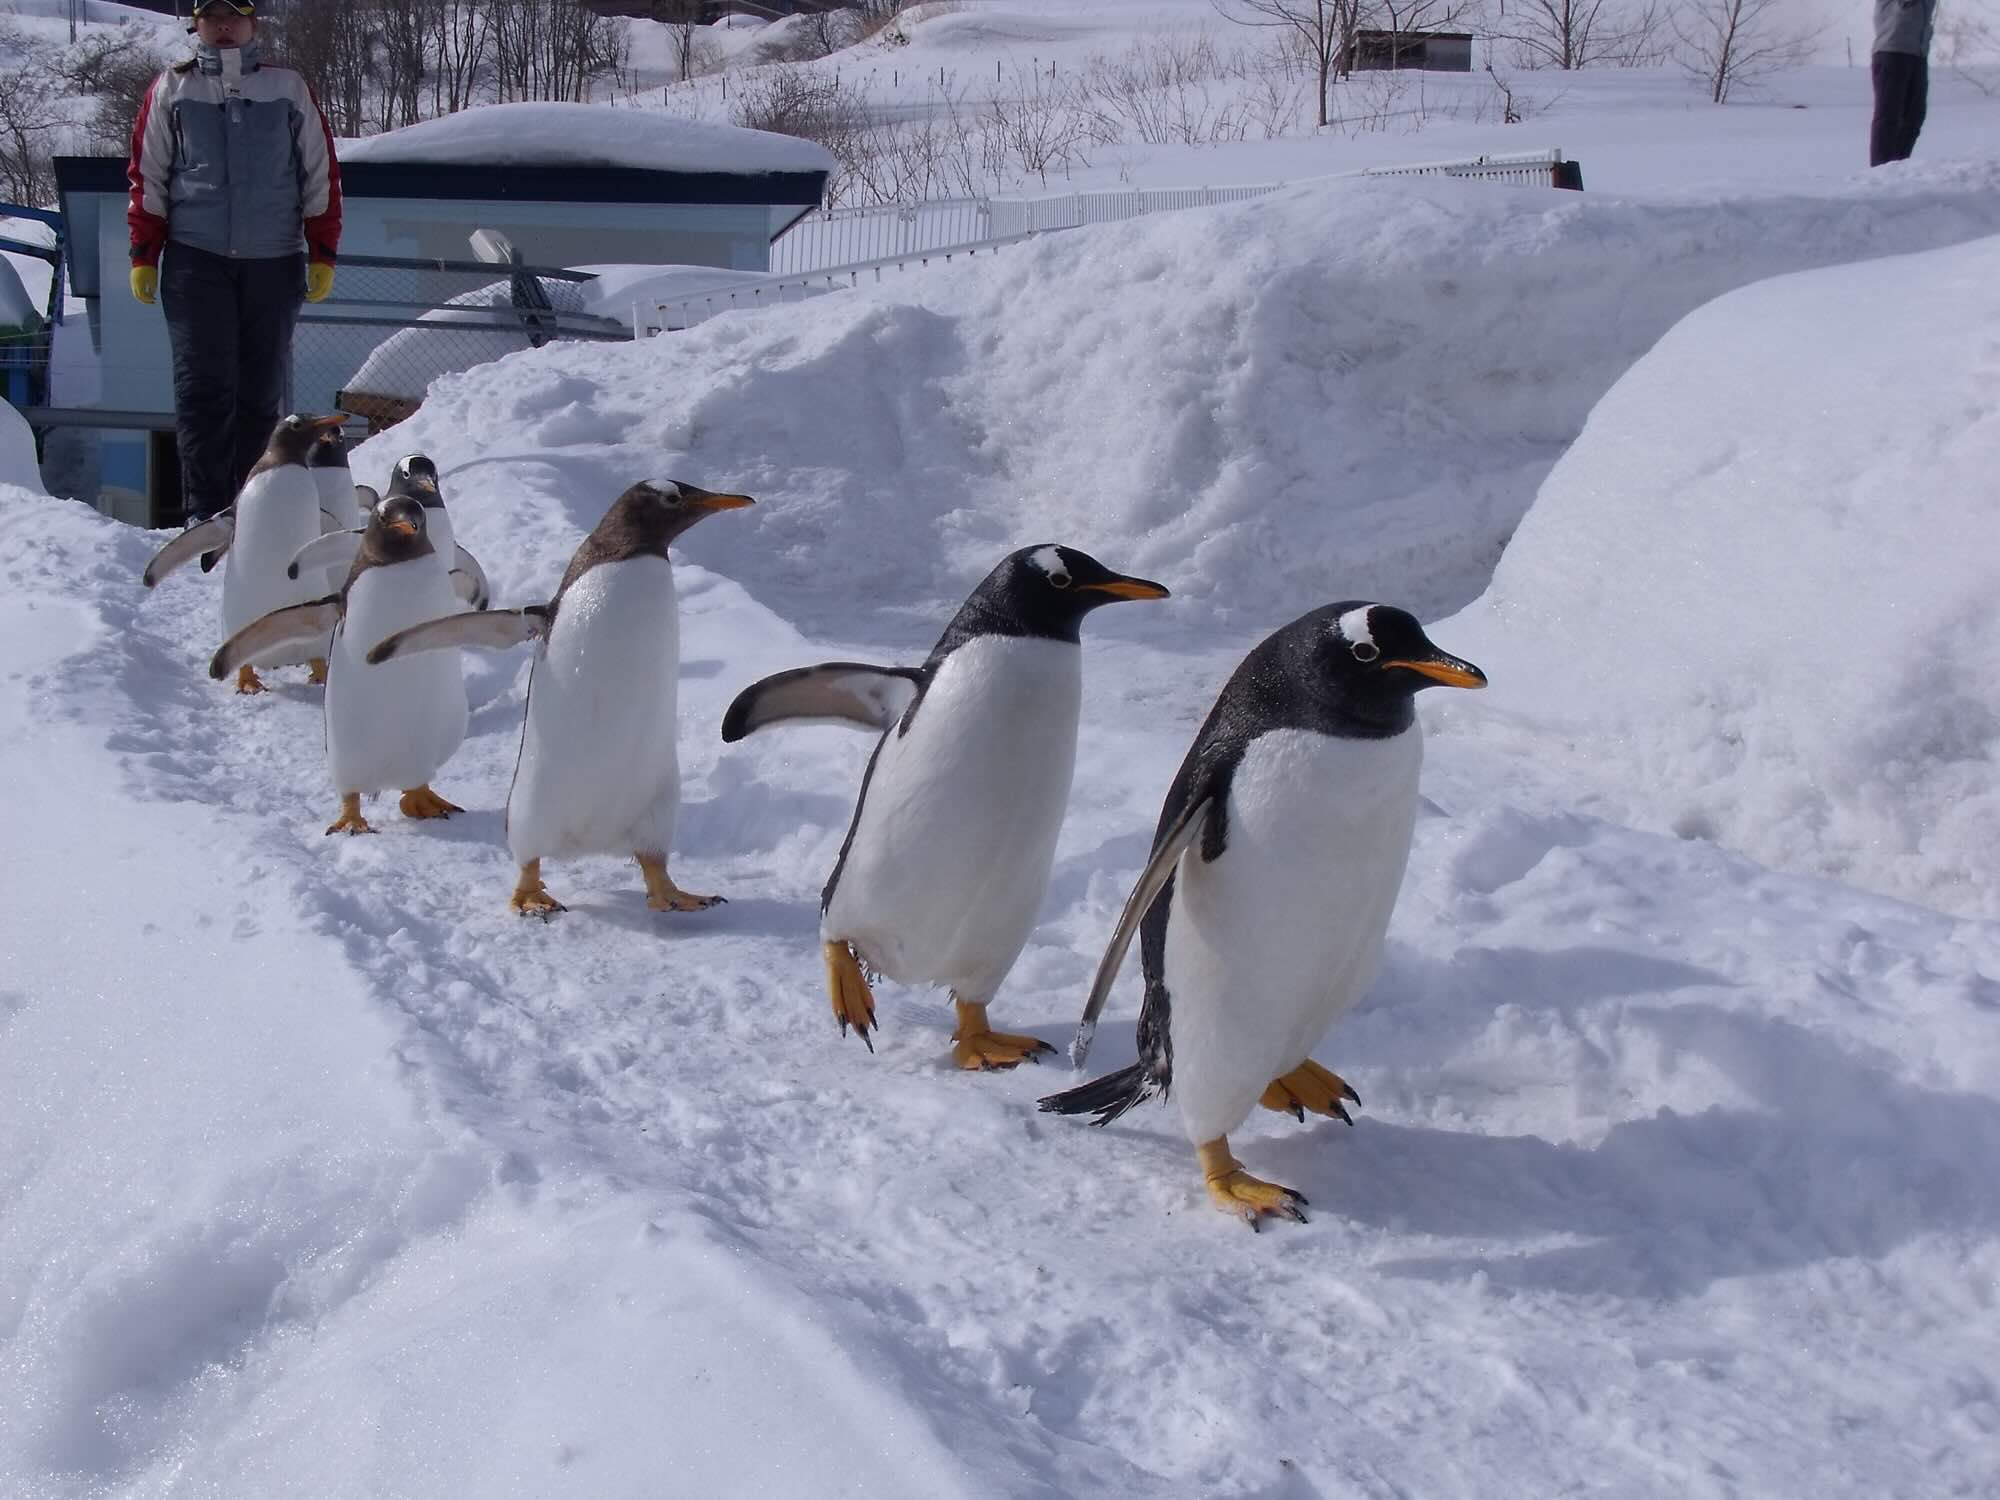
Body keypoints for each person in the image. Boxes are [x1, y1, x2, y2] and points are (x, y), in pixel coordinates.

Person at [126, 0, 342, 523]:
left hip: (273, 263)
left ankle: (253, 511)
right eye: (211, 17)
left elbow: (320, 173)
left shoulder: (288, 88)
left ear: (252, 23)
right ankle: (205, 513)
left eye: (234, 17)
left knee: (259, 393)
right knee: (204, 389)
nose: (223, 27)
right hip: (196, 262)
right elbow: (147, 177)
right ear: (196, 24)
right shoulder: (171, 90)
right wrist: (144, 255)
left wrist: (322, 251)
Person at [1871, 0, 1940, 167]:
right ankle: (1881, 170)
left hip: (1918, 52)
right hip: (1892, 50)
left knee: (1914, 116)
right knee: (1889, 116)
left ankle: (1898, 169)